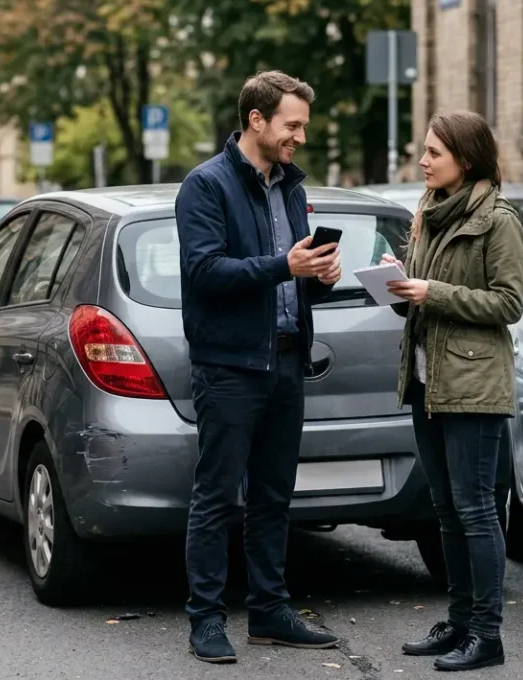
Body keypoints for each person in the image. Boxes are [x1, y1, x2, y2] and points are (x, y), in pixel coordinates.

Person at [176, 70, 343, 665]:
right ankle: (206, 619)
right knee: (217, 495)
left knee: (274, 496)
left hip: (286, 359)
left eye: (302, 125)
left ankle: (270, 612)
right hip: (229, 366)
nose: (300, 136)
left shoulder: (291, 188)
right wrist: (284, 267)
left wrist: (319, 277)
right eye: (292, 125)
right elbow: (204, 272)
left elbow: (291, 276)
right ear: (257, 120)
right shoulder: (206, 186)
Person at [385, 110, 523, 672]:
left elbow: (509, 304)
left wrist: (433, 292)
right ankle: (460, 621)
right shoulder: (429, 212)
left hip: (474, 384)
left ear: (464, 160)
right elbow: (421, 297)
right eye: (423, 151)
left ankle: (487, 636)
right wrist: (398, 286)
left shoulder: (498, 220)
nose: (422, 161)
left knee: (475, 510)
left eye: (432, 154)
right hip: (427, 381)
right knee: (445, 508)